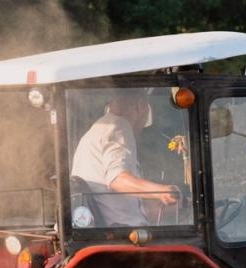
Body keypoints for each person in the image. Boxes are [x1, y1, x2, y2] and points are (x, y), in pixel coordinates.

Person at [70, 91, 182, 226]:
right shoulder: (118, 126)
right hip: (125, 233)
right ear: (141, 106)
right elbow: (117, 179)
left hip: (112, 229)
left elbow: (111, 201)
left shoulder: (94, 133)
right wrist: (162, 191)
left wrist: (158, 206)